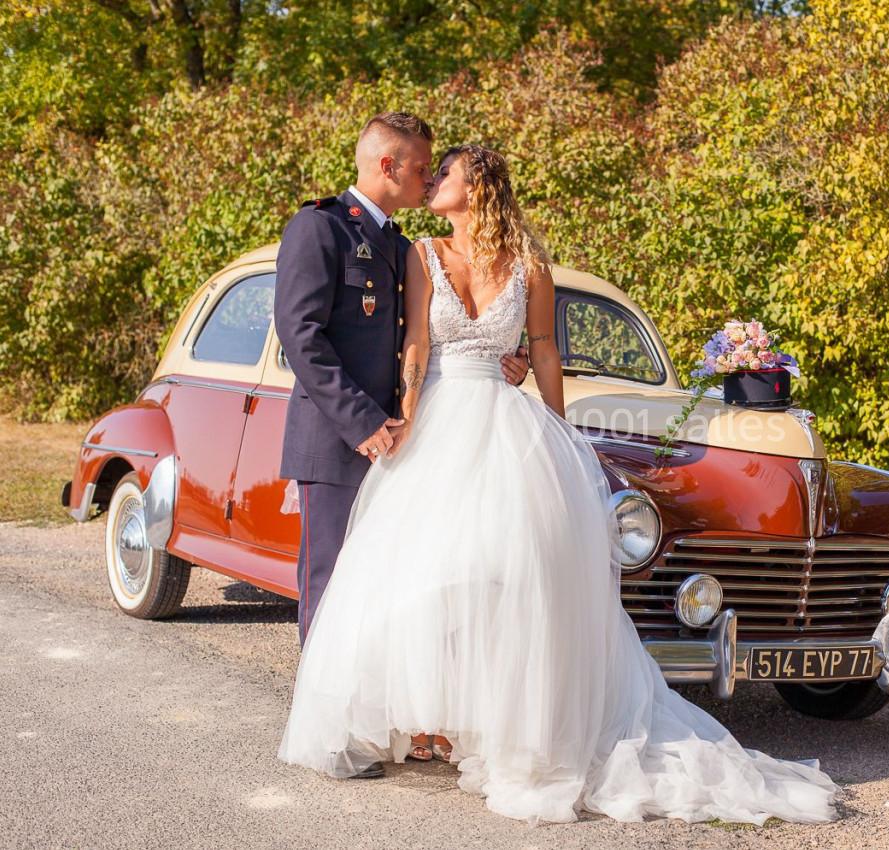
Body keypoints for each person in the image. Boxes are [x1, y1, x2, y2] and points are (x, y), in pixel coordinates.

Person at [277, 143, 840, 824]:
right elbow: (416, 345)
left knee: (515, 580)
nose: (432, 184)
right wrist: (406, 418)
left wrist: (559, 432)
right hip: (439, 420)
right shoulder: (419, 252)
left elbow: (544, 348)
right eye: (428, 171)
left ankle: (497, 723)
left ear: (476, 188)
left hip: (506, 424)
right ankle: (425, 719)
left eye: (444, 174)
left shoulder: (530, 268)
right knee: (422, 572)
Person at [272, 112, 530, 658]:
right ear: (388, 165)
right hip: (340, 439)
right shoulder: (321, 227)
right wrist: (362, 422)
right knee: (332, 580)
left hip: (411, 441)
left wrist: (509, 355)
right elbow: (301, 337)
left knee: (389, 589)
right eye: (419, 168)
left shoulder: (400, 244)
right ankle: (325, 727)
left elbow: (425, 337)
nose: (428, 180)